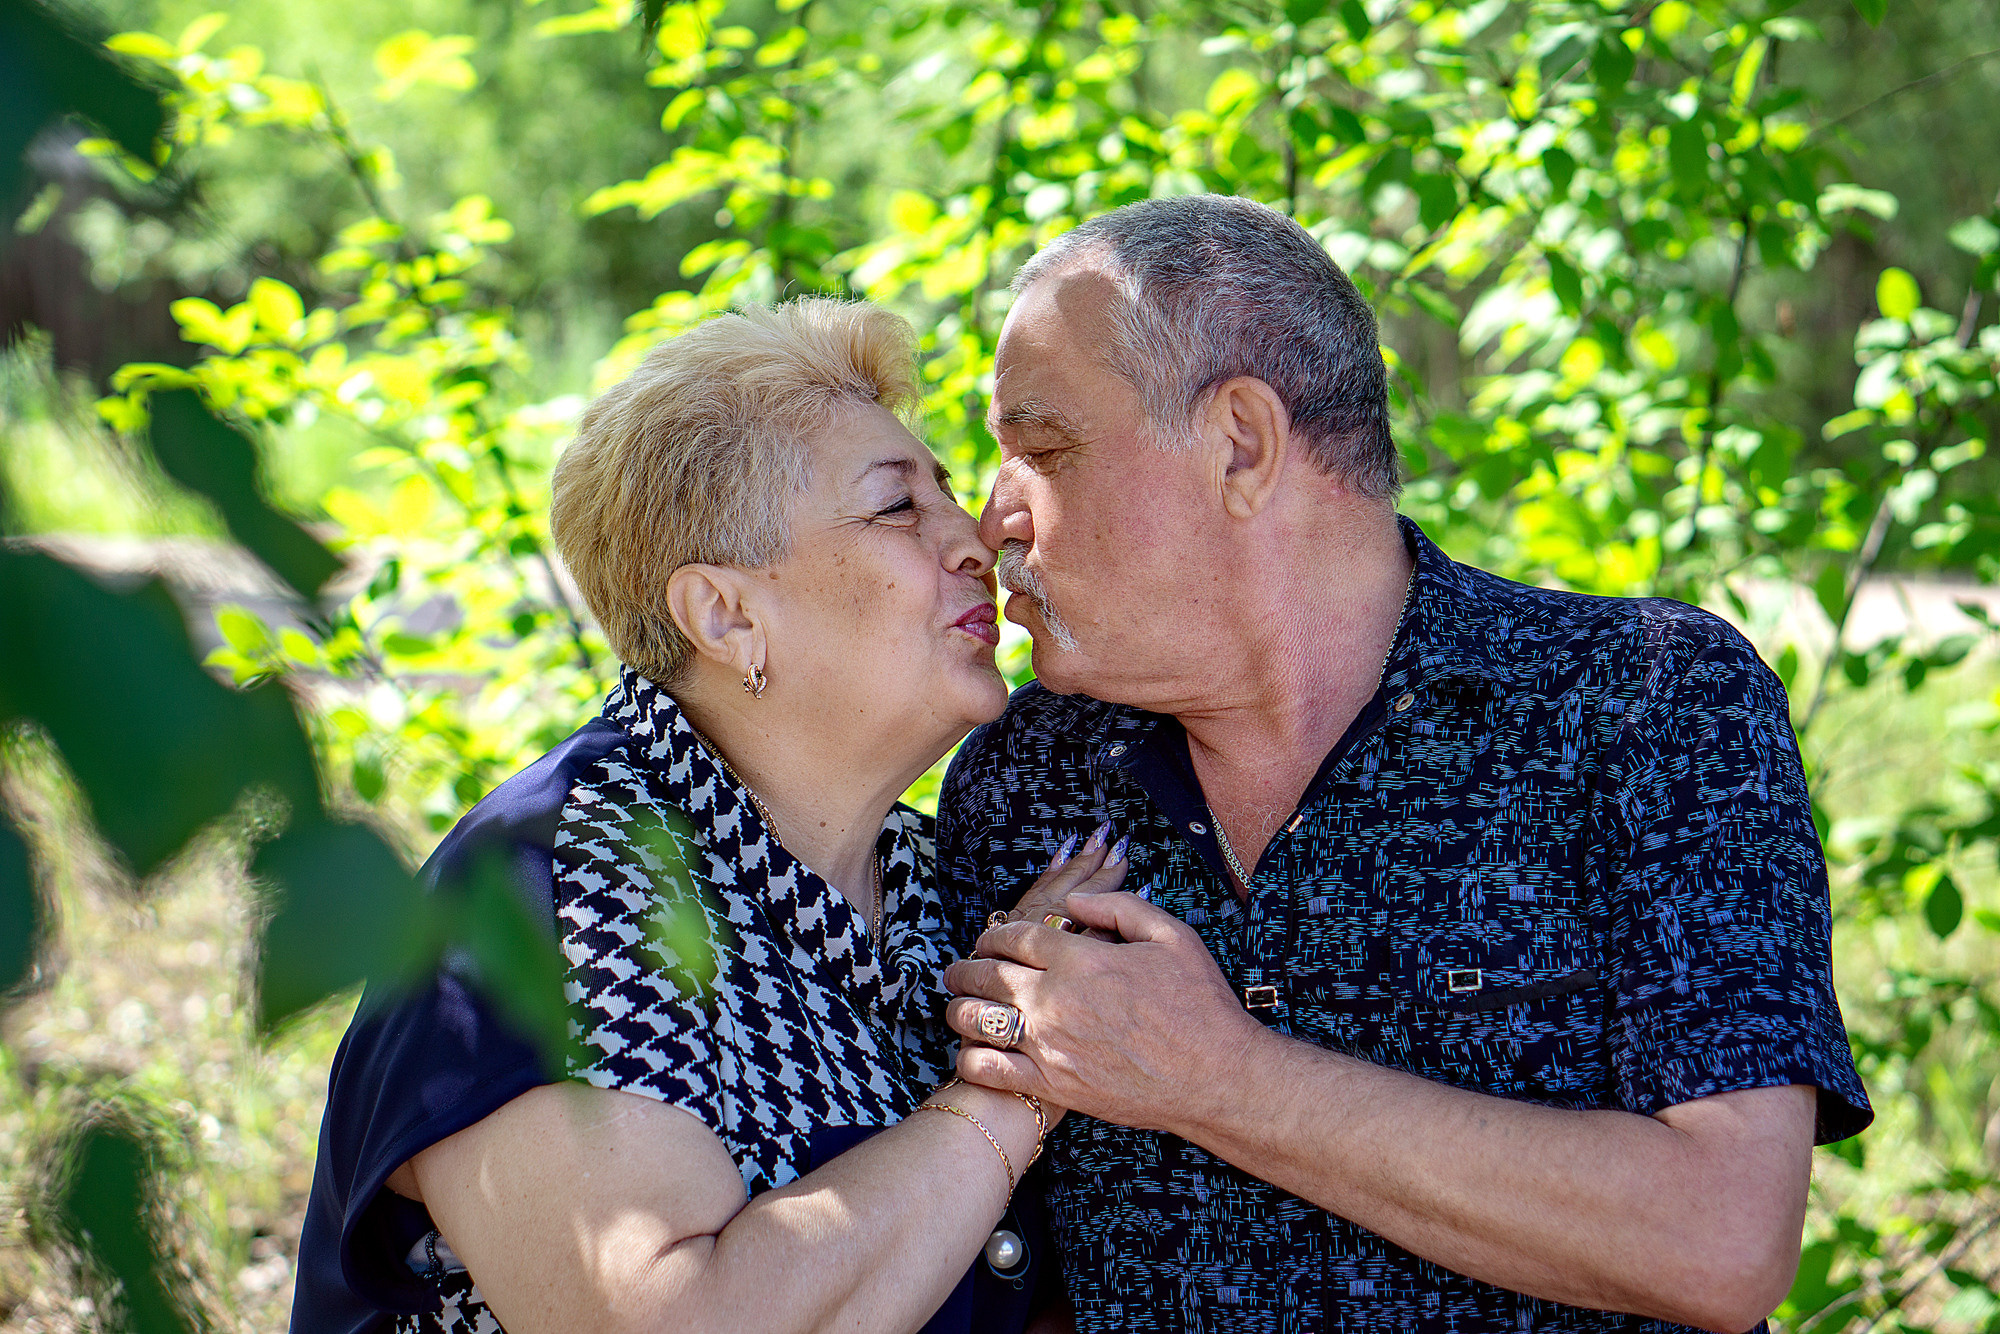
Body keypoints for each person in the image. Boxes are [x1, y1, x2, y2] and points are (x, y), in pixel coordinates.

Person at [935, 195, 1872, 1334]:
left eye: (1042, 450)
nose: (993, 520)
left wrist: (1217, 1077)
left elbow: (1720, 1238)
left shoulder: (1644, 701)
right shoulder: (1018, 779)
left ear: (1239, 443)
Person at [291, 298, 1125, 1334]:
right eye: (895, 507)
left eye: (949, 491)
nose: (975, 539)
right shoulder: (550, 882)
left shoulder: (926, 883)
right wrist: (1011, 1087)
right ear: (725, 615)